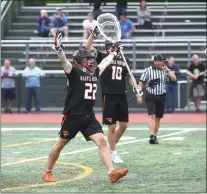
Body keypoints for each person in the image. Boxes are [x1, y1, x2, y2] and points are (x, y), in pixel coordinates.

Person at [42, 30, 128, 183]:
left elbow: (105, 62)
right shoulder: (73, 72)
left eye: (91, 59)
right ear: (79, 60)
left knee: (102, 141)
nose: (91, 61)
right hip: (73, 115)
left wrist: (113, 52)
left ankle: (112, 172)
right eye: (87, 59)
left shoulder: (94, 72)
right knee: (61, 143)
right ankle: (47, 171)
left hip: (89, 115)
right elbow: (63, 61)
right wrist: (59, 49)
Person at [85, 27, 138, 163]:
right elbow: (88, 46)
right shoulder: (102, 56)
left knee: (124, 125)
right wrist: (93, 34)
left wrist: (135, 86)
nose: (112, 48)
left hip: (122, 94)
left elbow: (128, 77)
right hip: (109, 94)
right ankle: (113, 152)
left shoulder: (123, 59)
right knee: (112, 126)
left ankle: (110, 146)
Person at [137, 54, 176, 144]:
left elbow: (174, 78)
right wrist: (139, 95)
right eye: (158, 61)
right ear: (155, 62)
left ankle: (154, 136)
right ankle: (152, 135)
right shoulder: (148, 70)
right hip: (151, 95)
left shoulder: (165, 70)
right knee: (152, 115)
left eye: (161, 61)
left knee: (158, 118)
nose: (160, 62)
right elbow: (141, 82)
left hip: (161, 96)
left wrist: (168, 70)